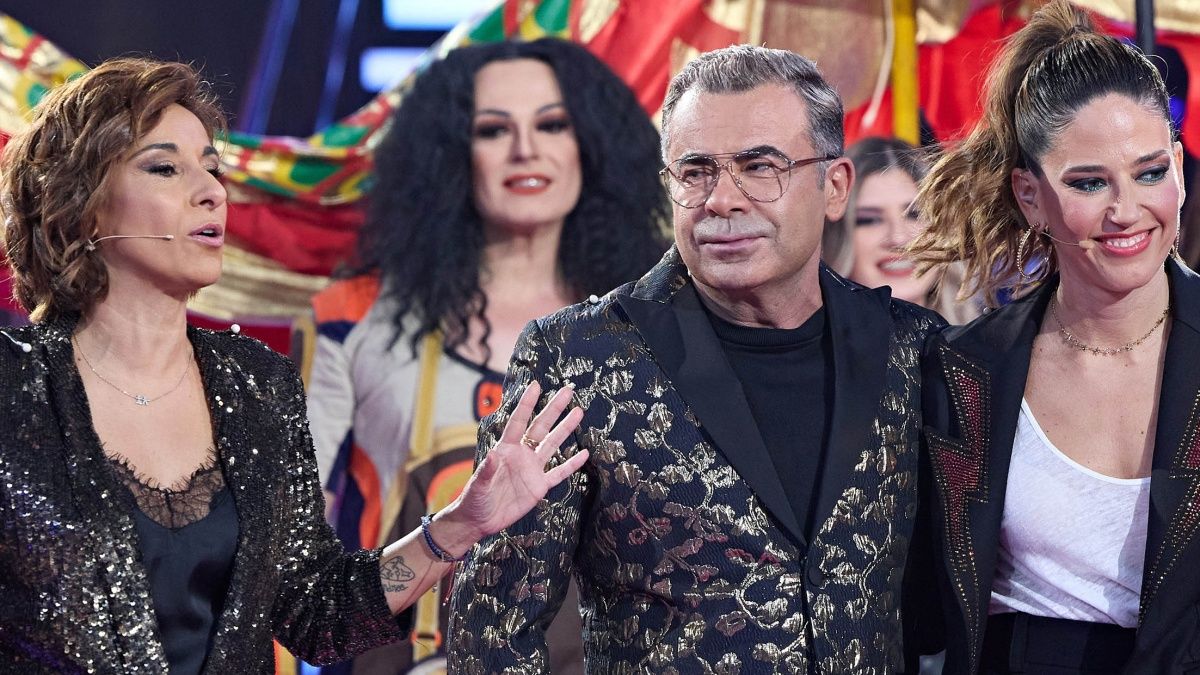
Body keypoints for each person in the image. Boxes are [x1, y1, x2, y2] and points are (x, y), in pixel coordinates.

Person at [0, 56, 587, 674]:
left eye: (211, 167)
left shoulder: (257, 385)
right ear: (81, 206)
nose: (211, 191)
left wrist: (462, 523)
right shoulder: (13, 389)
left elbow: (314, 613)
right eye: (164, 167)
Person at [447, 44, 945, 673]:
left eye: (760, 167)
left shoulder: (911, 349)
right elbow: (493, 627)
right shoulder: (578, 359)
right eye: (696, 171)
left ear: (834, 186)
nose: (722, 199)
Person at [304, 39, 667, 673]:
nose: (526, 150)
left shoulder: (658, 325)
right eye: (494, 130)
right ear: (450, 156)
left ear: (590, 146)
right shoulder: (350, 317)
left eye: (552, 124)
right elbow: (288, 555)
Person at [908, 1, 1200, 672]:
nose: (1126, 210)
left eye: (1150, 171)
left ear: (1179, 168)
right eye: (1089, 182)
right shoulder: (963, 370)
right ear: (1031, 197)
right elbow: (919, 605)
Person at [823, 136, 979, 323]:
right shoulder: (809, 350)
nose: (898, 237)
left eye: (915, 215)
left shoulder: (991, 344)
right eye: (870, 220)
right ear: (834, 237)